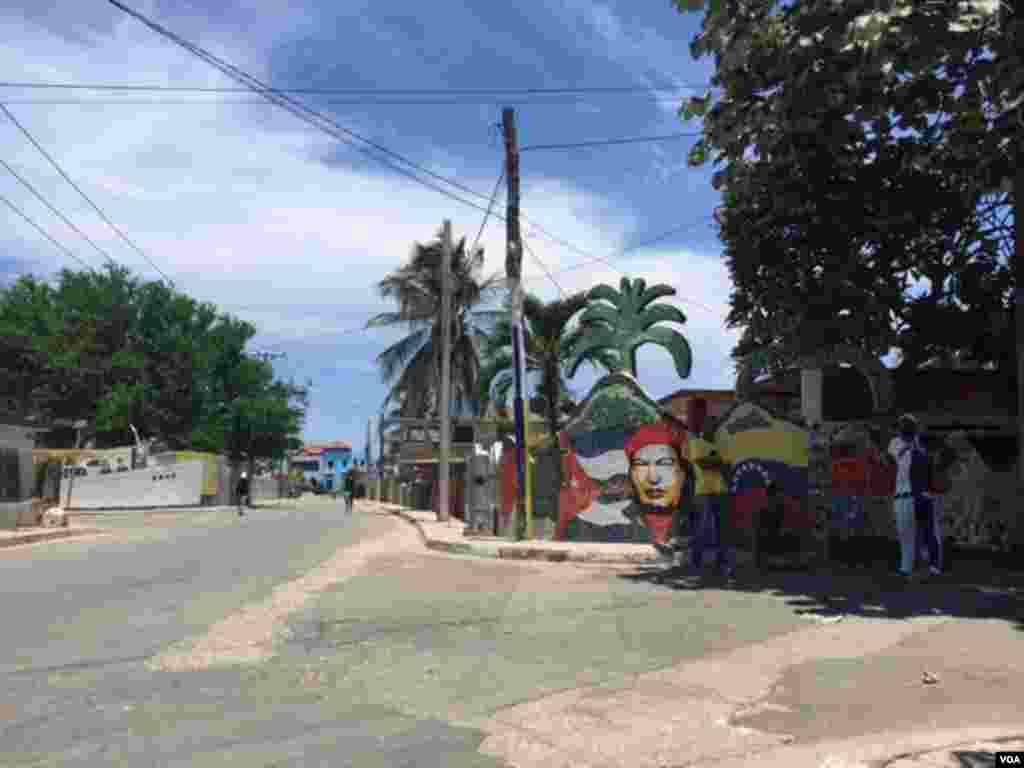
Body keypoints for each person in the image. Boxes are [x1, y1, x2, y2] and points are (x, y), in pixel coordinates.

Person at [686, 428, 733, 577]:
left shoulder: (722, 445)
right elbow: (703, 464)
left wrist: (715, 462)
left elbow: (727, 466)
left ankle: (722, 565)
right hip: (703, 492)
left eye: (714, 425)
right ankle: (696, 564)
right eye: (708, 425)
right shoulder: (697, 444)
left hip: (722, 491)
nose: (711, 429)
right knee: (701, 529)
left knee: (723, 530)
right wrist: (718, 462)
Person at [887, 414, 926, 579]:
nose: (903, 429)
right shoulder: (896, 443)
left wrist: (915, 442)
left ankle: (912, 570)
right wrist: (912, 442)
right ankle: (908, 570)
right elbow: (894, 458)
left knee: (915, 535)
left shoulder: (918, 446)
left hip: (914, 495)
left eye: (906, 426)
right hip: (906, 495)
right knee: (908, 536)